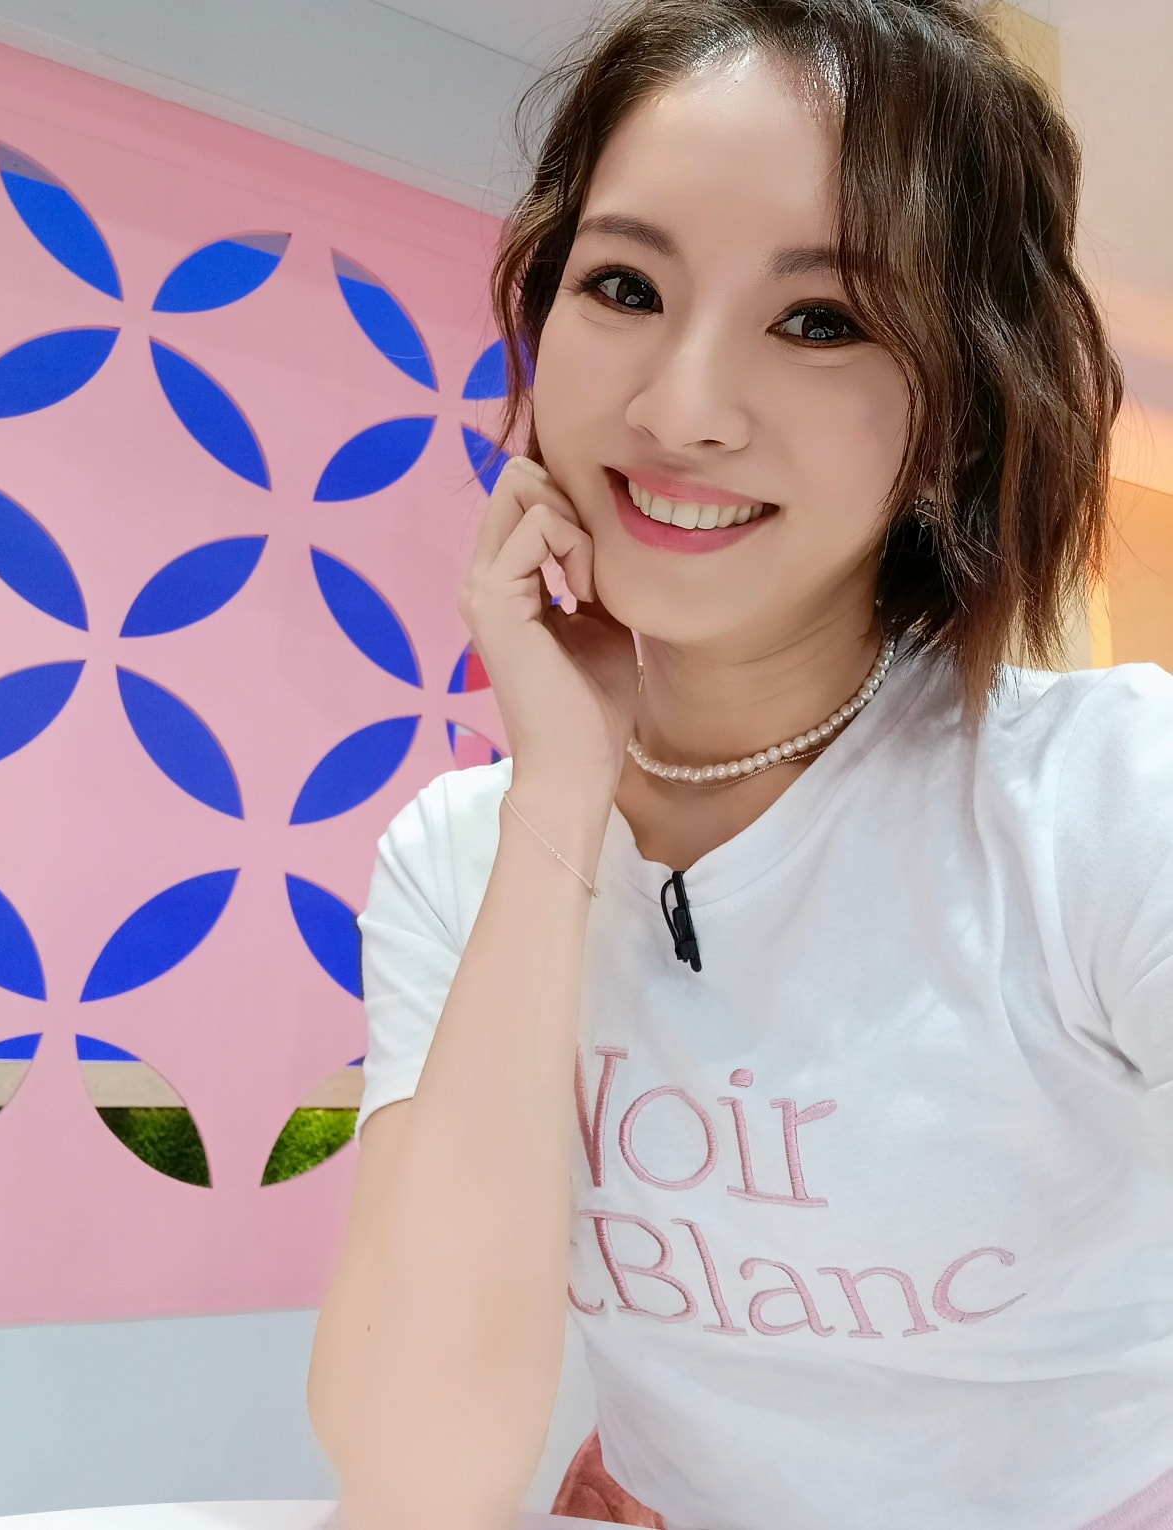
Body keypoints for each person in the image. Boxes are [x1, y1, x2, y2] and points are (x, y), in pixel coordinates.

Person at [307, 2, 1173, 1527]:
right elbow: (415, 1480)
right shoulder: (458, 852)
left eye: (821, 319)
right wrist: (560, 793)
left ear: (962, 405)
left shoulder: (1106, 801)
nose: (679, 409)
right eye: (624, 286)